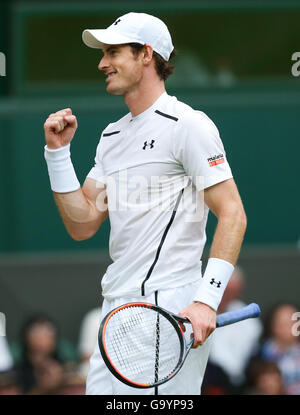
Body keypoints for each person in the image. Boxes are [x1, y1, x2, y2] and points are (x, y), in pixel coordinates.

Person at [43, 12, 247, 395]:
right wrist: (58, 155)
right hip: (116, 310)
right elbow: (82, 223)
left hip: (167, 309)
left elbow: (233, 213)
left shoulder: (188, 125)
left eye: (113, 52)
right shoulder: (112, 135)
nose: (103, 63)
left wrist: (207, 300)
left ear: (146, 55)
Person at [207, 266, 262, 390]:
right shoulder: (199, 312)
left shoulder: (247, 314)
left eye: (235, 292)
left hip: (242, 385)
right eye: (226, 291)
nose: (229, 296)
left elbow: (254, 356)